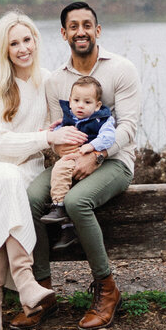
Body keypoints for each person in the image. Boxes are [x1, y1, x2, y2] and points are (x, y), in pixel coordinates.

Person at [11, 1, 142, 330]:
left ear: (97, 31)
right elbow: (60, 130)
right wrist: (70, 155)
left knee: (76, 201)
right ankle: (42, 292)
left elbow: (128, 129)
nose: (80, 31)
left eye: (87, 25)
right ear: (64, 33)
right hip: (70, 160)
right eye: (73, 26)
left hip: (115, 160)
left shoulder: (122, 69)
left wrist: (95, 155)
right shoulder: (56, 81)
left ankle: (107, 289)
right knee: (29, 198)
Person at [0, 10, 89, 330]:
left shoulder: (46, 80)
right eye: (14, 43)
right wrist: (47, 137)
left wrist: (76, 142)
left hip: (27, 171)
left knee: (12, 190)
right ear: (4, 49)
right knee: (7, 181)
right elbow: (2, 143)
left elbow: (57, 128)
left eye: (27, 40)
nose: (22, 48)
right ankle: (23, 282)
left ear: (36, 40)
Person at [40, 75, 117, 225]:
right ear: (70, 102)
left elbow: (109, 137)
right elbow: (58, 132)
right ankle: (67, 225)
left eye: (87, 102)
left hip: (88, 157)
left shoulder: (102, 120)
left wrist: (93, 146)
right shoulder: (69, 119)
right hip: (72, 155)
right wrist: (49, 133)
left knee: (60, 169)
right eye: (76, 101)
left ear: (97, 105)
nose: (80, 105)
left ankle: (58, 205)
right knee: (63, 175)